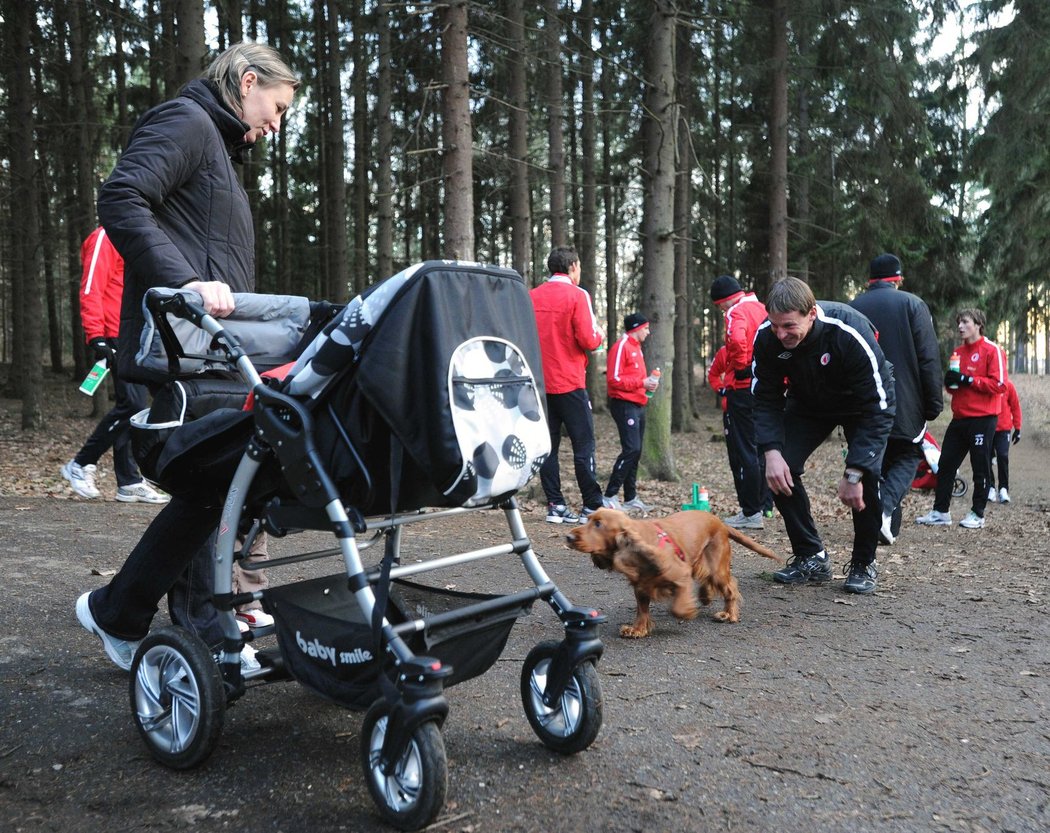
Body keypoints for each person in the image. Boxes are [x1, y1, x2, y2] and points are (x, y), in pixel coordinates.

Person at [75, 42, 299, 672]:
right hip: (174, 351)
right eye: (277, 107)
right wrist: (184, 285)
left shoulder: (218, 147)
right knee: (213, 477)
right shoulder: (187, 121)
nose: (277, 125)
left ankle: (126, 610)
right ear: (247, 81)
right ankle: (206, 635)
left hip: (208, 352)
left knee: (224, 482)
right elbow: (121, 198)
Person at [752, 277, 895, 595]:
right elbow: (765, 398)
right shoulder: (768, 337)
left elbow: (880, 406)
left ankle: (863, 562)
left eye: (789, 326)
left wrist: (855, 470)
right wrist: (771, 451)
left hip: (861, 405)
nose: (781, 334)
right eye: (775, 326)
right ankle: (811, 556)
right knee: (780, 469)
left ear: (811, 313)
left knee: (866, 477)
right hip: (808, 403)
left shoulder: (848, 331)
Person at [61, 227, 168, 504]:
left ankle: (129, 481)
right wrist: (96, 335)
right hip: (113, 333)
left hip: (134, 333)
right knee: (132, 405)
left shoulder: (135, 238)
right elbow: (90, 287)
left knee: (135, 406)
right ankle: (81, 463)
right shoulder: (104, 237)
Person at [849, 253, 942, 545]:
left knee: (877, 458)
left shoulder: (853, 307)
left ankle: (886, 526)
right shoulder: (913, 304)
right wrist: (933, 403)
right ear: (898, 279)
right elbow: (928, 358)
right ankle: (884, 511)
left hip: (862, 401)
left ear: (869, 280)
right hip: (904, 399)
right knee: (908, 454)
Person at [530, 246, 606, 523]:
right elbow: (588, 339)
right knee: (583, 444)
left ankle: (555, 504)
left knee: (547, 446)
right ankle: (592, 505)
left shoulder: (532, 296)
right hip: (570, 382)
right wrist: (600, 336)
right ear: (573, 266)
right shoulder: (578, 295)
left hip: (540, 384)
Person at [916, 309, 1006, 529]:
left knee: (980, 467)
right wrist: (950, 381)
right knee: (945, 464)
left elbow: (999, 385)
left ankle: (978, 513)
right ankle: (941, 512)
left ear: (978, 324)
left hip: (983, 419)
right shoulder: (957, 352)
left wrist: (967, 379)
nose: (960, 326)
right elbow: (955, 388)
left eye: (965, 322)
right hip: (959, 418)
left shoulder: (992, 350)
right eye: (959, 322)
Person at [710, 275, 772, 529]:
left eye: (720, 306)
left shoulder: (736, 311)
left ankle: (751, 511)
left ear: (725, 300)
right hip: (764, 388)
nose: (722, 310)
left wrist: (742, 366)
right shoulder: (762, 308)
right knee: (760, 449)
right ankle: (762, 505)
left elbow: (736, 340)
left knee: (744, 450)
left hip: (743, 389)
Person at [602, 313, 659, 512]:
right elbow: (613, 379)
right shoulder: (621, 347)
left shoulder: (637, 348)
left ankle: (630, 497)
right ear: (635, 328)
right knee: (631, 449)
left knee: (637, 451)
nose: (648, 331)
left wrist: (648, 385)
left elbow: (635, 377)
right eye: (645, 328)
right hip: (623, 404)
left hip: (638, 403)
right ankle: (609, 495)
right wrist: (641, 383)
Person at [988, 378, 1022, 504]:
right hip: (987, 427)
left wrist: (1017, 428)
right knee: (986, 457)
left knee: (1002, 456)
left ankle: (1003, 489)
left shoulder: (1008, 385)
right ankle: (990, 487)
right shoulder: (987, 385)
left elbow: (1015, 406)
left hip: (1003, 429)